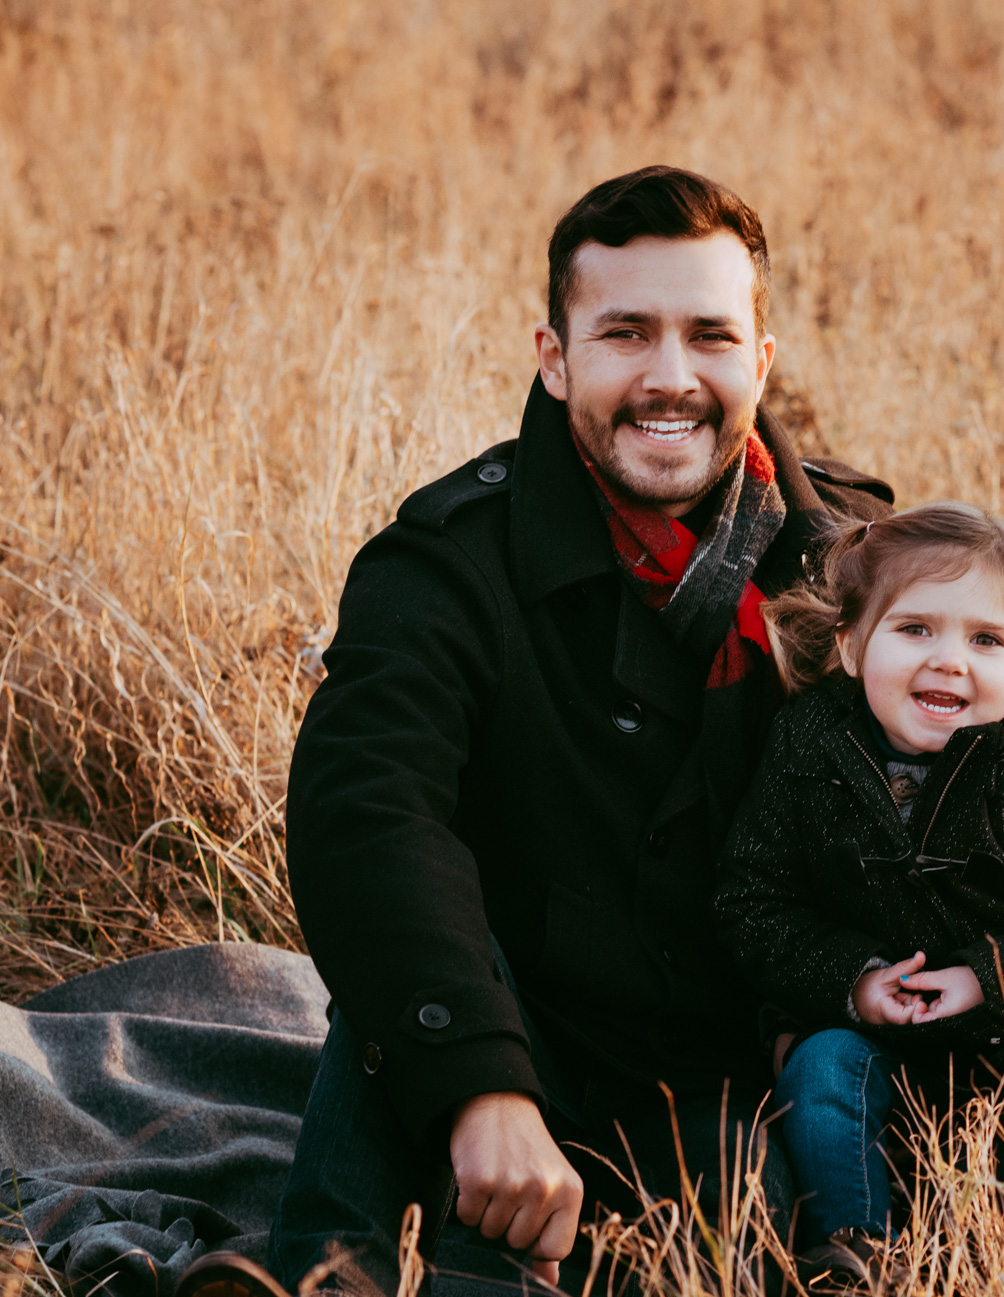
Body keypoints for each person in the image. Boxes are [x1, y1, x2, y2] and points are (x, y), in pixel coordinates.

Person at [178, 166, 894, 1297]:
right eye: (625, 333)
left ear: (761, 361)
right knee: (413, 979)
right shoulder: (449, 558)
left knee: (717, 1245)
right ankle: (324, 1278)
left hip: (733, 1067)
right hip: (517, 1021)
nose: (671, 378)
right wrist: (481, 1087)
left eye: (710, 336)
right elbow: (367, 812)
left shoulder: (861, 560)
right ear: (555, 357)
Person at [714, 503, 1004, 1284]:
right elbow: (752, 899)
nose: (950, 660)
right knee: (820, 1068)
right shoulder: (809, 746)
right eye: (915, 629)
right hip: (879, 1037)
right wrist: (853, 981)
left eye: (985, 640)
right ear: (852, 645)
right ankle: (856, 1250)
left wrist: (987, 977)